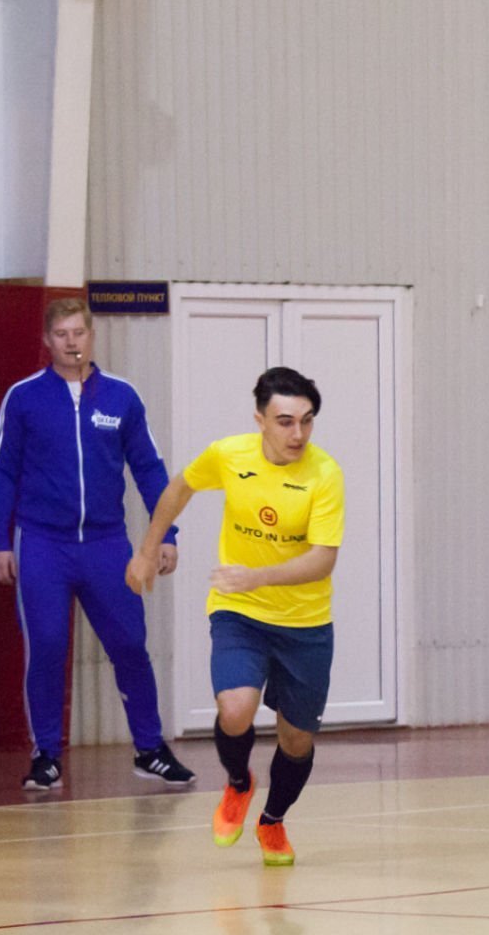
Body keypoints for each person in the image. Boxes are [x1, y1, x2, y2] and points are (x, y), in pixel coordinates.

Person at [126, 367, 344, 868]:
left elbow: (323, 560)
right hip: (239, 612)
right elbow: (179, 489)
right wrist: (148, 549)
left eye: (307, 421)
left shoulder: (325, 474)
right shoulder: (230, 455)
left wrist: (258, 576)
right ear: (260, 420)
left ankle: (273, 821)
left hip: (305, 623)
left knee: (296, 740)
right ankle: (239, 783)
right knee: (234, 709)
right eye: (285, 421)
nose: (298, 433)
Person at [0, 296, 194, 790]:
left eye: (79, 333)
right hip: (42, 544)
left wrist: (165, 535)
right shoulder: (23, 398)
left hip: (106, 544)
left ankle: (150, 749)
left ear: (92, 336)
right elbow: (1, 472)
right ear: (47, 340)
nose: (72, 342)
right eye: (62, 335)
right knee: (46, 646)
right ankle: (46, 755)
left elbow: (150, 469)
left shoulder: (122, 397)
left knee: (130, 644)